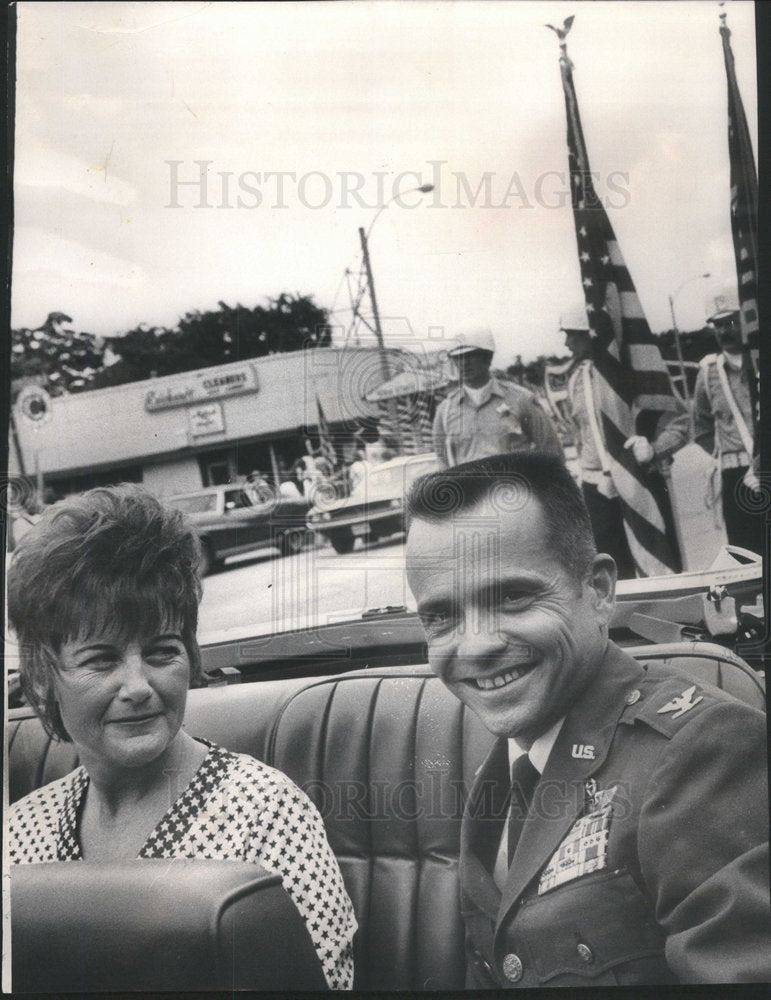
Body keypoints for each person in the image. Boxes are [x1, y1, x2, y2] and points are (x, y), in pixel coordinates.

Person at [405, 452, 769, 987]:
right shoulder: (504, 772)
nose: (475, 647)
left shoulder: (702, 751)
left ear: (597, 591)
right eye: (441, 617)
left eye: (512, 597)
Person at [6, 485, 356, 990]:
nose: (138, 687)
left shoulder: (267, 814)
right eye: (101, 660)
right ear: (42, 676)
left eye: (162, 651)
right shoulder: (17, 835)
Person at [561, 309, 689, 578]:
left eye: (572, 335)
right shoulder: (575, 380)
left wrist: (654, 449)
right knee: (611, 571)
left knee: (661, 567)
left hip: (639, 477)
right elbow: (579, 436)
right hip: (597, 489)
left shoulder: (637, 373)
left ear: (592, 334)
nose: (567, 343)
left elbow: (680, 422)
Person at [432, 329, 562, 469]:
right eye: (458, 357)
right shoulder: (445, 411)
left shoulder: (521, 399)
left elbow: (551, 449)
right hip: (471, 489)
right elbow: (442, 460)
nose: (464, 363)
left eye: (470, 356)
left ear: (487, 358)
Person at [693, 299, 760, 555]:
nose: (724, 331)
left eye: (730, 322)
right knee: (746, 554)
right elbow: (700, 428)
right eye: (718, 325)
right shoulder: (708, 373)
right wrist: (729, 453)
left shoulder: (760, 363)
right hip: (735, 476)